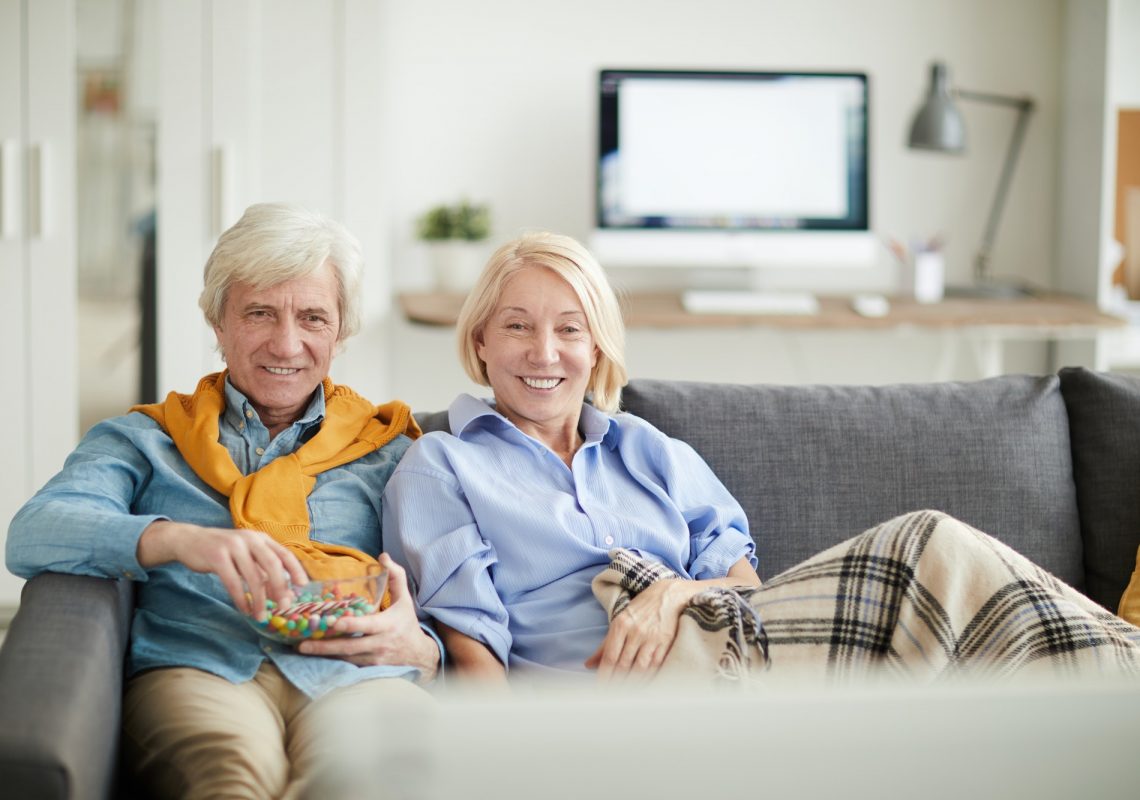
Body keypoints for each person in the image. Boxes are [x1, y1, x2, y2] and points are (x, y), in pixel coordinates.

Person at [382, 231, 1140, 685]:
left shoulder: (649, 449)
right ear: (479, 340)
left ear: (598, 346)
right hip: (614, 693)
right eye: (516, 326)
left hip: (735, 646)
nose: (544, 353)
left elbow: (742, 582)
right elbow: (468, 647)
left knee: (978, 636)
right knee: (929, 547)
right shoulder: (441, 464)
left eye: (569, 330)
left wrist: (671, 594)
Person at [7, 202, 441, 799]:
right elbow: (33, 531)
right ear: (218, 321)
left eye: (313, 317)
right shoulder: (147, 440)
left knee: (366, 782)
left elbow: (454, 600)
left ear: (340, 331)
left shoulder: (390, 450)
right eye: (260, 313)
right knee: (230, 778)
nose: (286, 344)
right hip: (203, 665)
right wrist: (180, 539)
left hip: (358, 675)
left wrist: (419, 647)